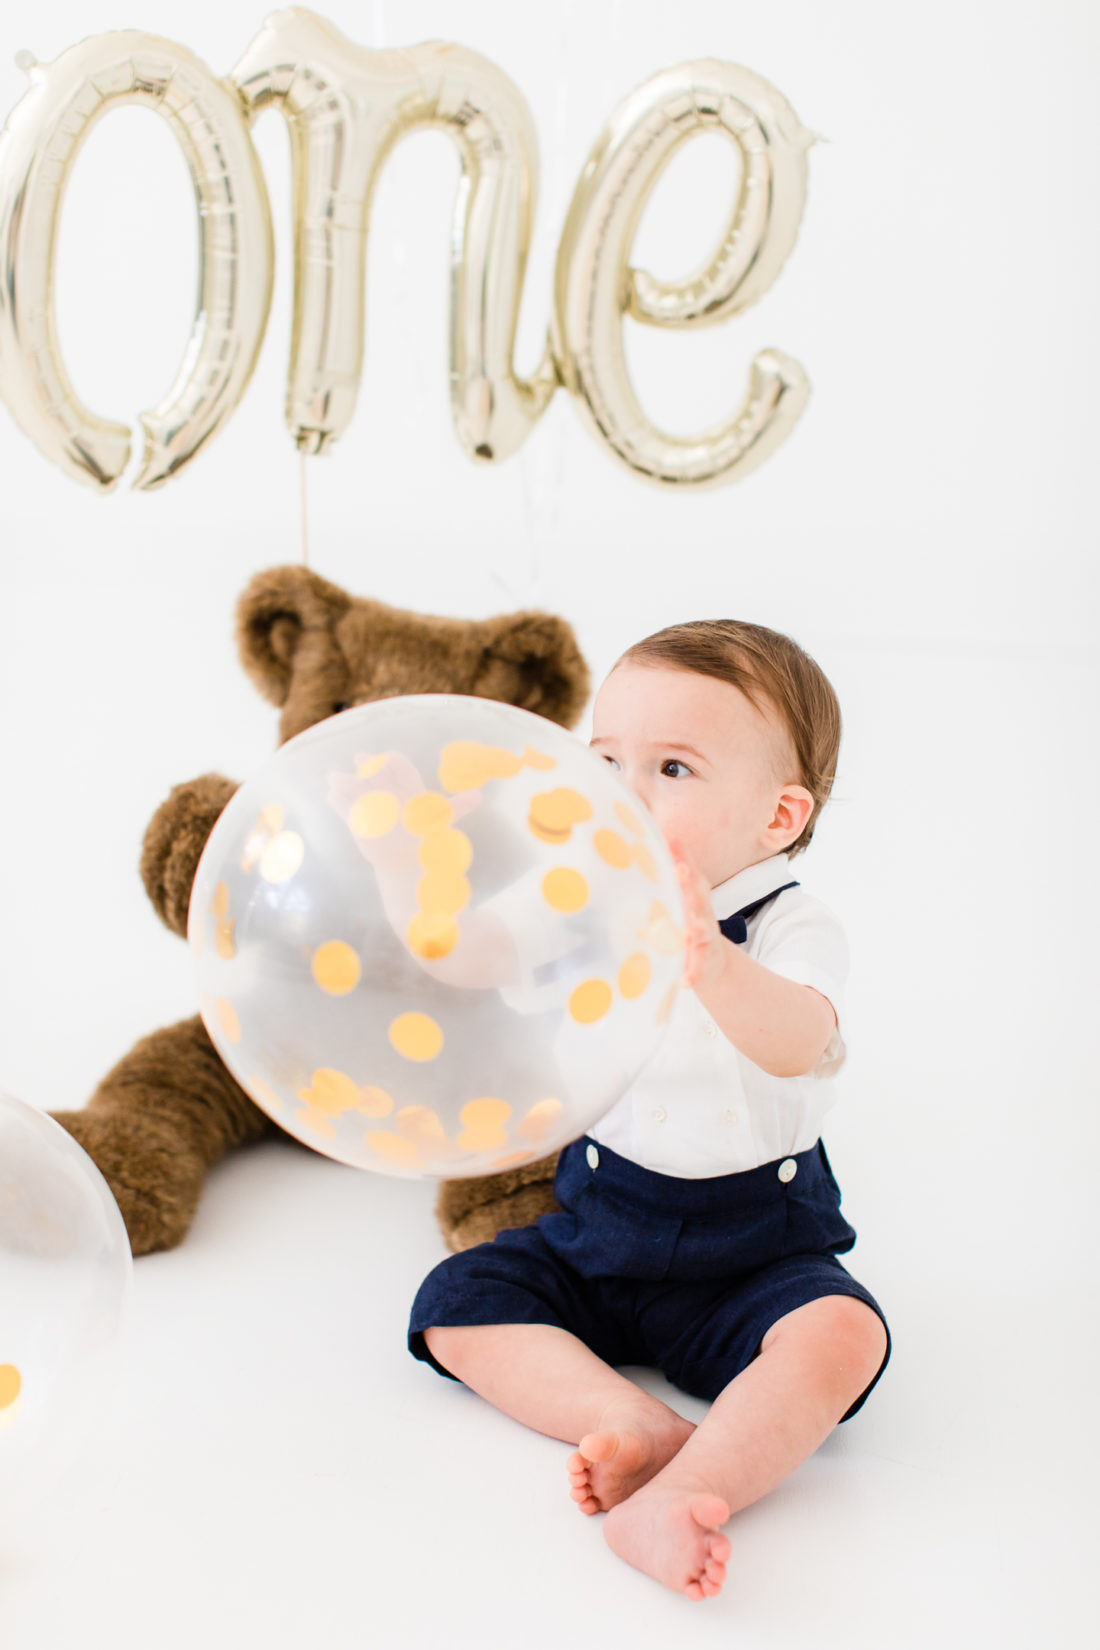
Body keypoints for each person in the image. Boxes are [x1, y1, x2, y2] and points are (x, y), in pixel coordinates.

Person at [407, 620, 891, 1601]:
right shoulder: (582, 892)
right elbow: (464, 959)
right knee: (456, 1304)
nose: (620, 791)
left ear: (776, 816)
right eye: (606, 759)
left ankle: (690, 1489)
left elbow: (798, 1040)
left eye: (670, 767)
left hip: (749, 1256)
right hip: (598, 1232)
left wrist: (708, 956)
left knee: (844, 1335)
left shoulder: (792, 924)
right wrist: (403, 861)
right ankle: (635, 1423)